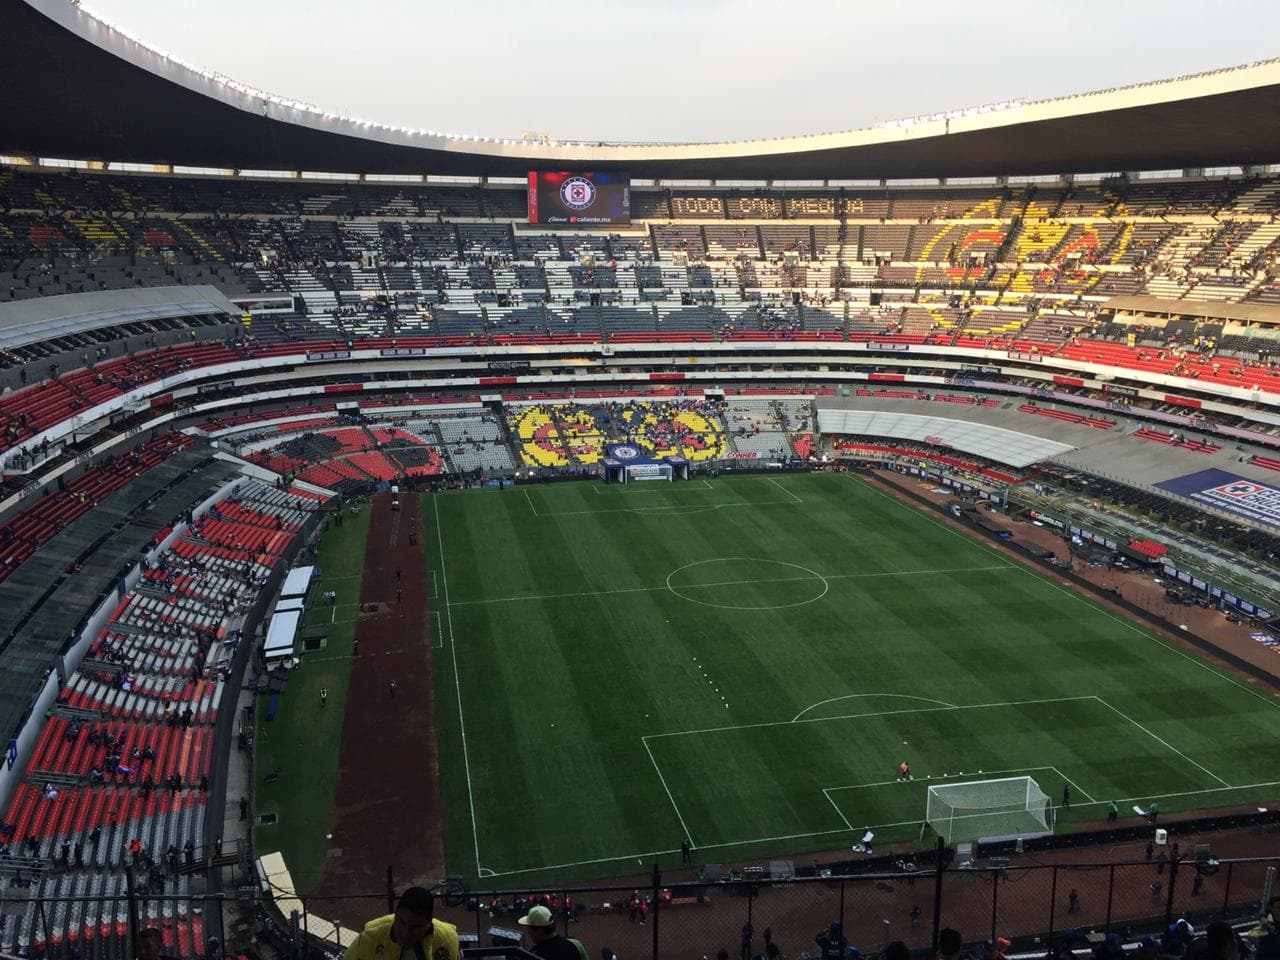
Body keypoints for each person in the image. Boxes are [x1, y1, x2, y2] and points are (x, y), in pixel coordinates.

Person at [342, 887, 459, 960]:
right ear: (395, 915)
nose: (405, 933)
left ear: (428, 923)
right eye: (401, 922)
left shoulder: (448, 939)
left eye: (415, 927)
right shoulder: (370, 936)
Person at [517, 904, 588, 960]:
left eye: (530, 928)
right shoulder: (575, 943)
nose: (528, 932)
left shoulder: (534, 956)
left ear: (539, 930)